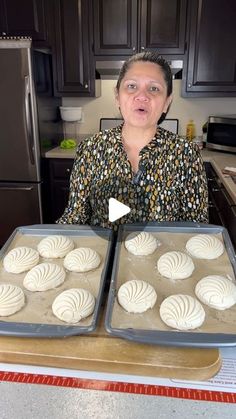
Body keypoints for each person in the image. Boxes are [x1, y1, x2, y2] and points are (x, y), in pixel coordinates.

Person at [57, 51, 208, 229]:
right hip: (105, 254)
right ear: (117, 97)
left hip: (163, 256)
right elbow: (75, 216)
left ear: (167, 102)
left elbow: (196, 227)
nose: (142, 96)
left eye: (154, 88)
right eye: (131, 86)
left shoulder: (186, 154)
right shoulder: (91, 149)